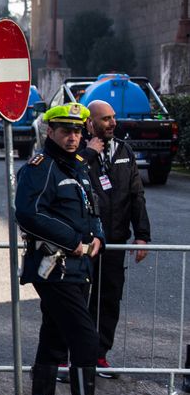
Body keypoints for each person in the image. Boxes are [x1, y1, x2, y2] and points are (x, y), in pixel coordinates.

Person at [15, 102, 121, 395]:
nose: (73, 137)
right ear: (51, 132)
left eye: (77, 131)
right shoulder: (41, 167)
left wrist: (99, 238)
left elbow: (93, 208)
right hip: (54, 266)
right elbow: (29, 213)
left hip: (78, 267)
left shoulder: (76, 166)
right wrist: (75, 240)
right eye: (66, 131)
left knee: (55, 337)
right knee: (85, 338)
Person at [82, 99, 151, 376]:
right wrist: (87, 154)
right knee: (76, 300)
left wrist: (142, 236)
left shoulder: (124, 150)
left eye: (113, 118)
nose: (112, 123)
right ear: (91, 123)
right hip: (83, 244)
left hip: (115, 241)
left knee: (109, 298)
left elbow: (137, 195)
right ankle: (67, 357)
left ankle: (99, 355)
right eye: (106, 119)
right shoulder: (77, 150)